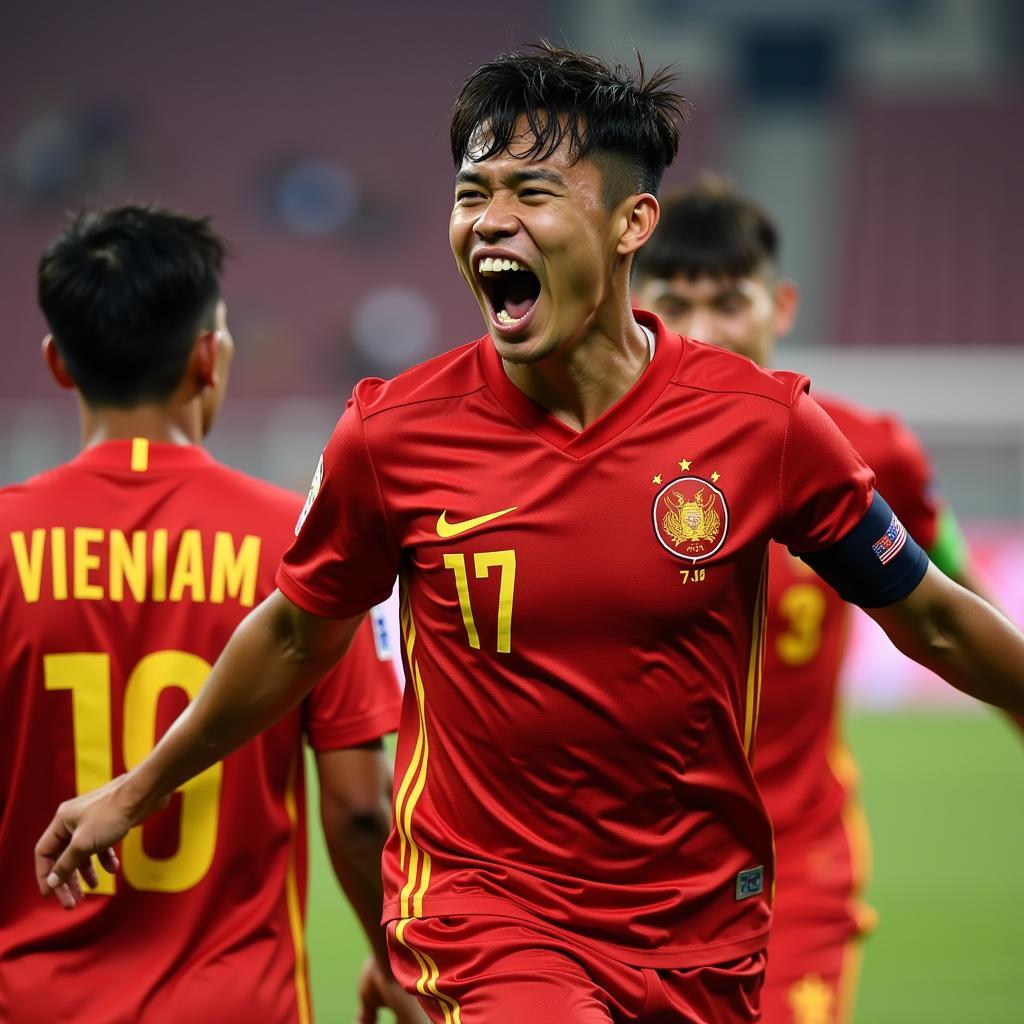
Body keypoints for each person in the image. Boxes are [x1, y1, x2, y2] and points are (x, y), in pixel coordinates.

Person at [34, 46, 1024, 1024]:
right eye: (473, 194)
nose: (490, 222)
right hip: (487, 915)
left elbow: (931, 619)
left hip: (700, 930)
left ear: (632, 222)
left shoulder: (761, 428)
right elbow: (297, 635)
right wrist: (137, 788)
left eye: (533, 192)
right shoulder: (392, 436)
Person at [0, 205, 423, 1023]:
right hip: (237, 1003)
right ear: (208, 357)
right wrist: (392, 963)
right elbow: (360, 808)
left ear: (58, 363)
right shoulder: (304, 542)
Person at [631, 175, 991, 1024]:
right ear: (631, 301)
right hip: (622, 869)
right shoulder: (583, 456)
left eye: (728, 301)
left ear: (781, 306)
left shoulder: (866, 451)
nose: (703, 330)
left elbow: (956, 604)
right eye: (675, 300)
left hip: (795, 868)